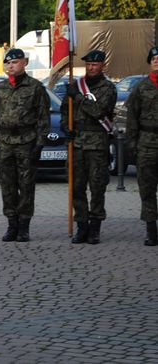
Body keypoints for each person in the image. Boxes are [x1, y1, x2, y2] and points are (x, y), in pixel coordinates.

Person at [0, 48, 50, 242]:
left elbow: (43, 117)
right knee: (7, 186)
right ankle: (11, 224)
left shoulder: (35, 87)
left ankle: (24, 226)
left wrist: (39, 144)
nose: (10, 66)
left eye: (15, 62)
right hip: (4, 142)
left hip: (26, 142)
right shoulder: (0, 88)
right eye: (8, 63)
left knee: (26, 186)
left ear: (25, 63)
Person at [61, 50, 117, 244]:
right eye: (88, 65)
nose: (91, 68)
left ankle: (95, 228)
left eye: (95, 65)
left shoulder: (108, 88)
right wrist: (65, 128)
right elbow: (64, 111)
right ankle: (81, 226)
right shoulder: (76, 85)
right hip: (76, 143)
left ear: (103, 66)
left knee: (97, 187)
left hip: (96, 144)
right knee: (76, 187)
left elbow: (98, 111)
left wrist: (77, 97)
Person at [126, 46, 158, 246]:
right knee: (147, 189)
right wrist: (132, 144)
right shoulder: (140, 88)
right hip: (147, 143)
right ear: (149, 62)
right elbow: (132, 118)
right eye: (154, 58)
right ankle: (151, 230)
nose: (157, 61)